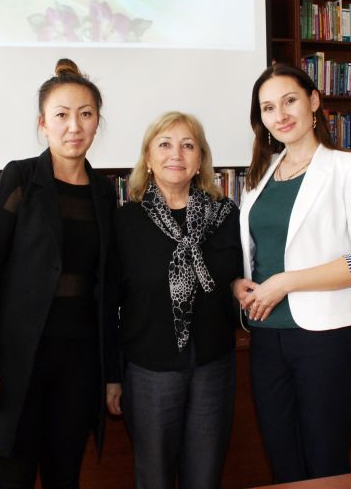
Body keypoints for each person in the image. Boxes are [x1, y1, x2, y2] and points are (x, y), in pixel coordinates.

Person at [0, 59, 119, 489]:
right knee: (15, 477)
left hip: (80, 362)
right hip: (20, 358)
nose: (74, 126)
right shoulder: (19, 178)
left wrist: (112, 371)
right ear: (43, 124)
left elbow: (108, 287)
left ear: (97, 123)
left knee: (65, 476)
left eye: (85, 114)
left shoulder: (104, 191)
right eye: (61, 115)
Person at [233, 64, 351, 483]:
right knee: (283, 465)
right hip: (266, 338)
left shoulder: (349, 167)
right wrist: (239, 284)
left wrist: (287, 282)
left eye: (290, 101)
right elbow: (258, 253)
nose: (280, 115)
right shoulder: (259, 176)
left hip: (327, 340)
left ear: (314, 101)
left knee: (325, 466)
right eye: (268, 108)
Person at [108, 111, 242, 489]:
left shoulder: (225, 216)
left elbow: (236, 278)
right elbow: (107, 303)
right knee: (155, 477)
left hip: (214, 364)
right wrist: (111, 375)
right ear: (148, 159)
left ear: (200, 160)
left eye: (188, 145)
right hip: (150, 368)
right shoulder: (126, 222)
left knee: (205, 476)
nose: (176, 154)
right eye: (165, 144)